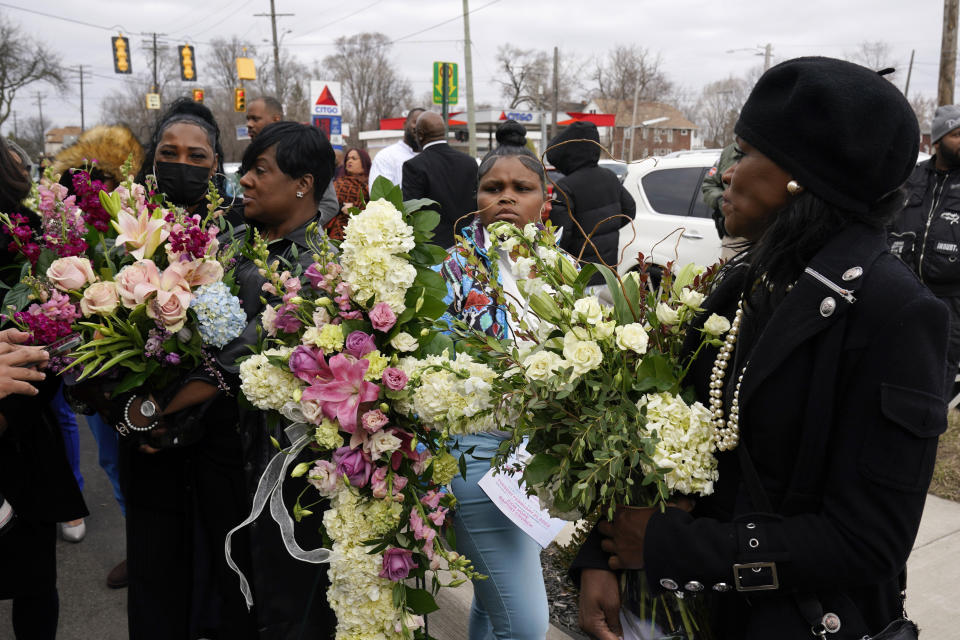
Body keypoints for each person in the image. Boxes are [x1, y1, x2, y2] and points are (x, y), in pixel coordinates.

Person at [575, 57, 948, 640]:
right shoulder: (750, 278)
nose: (725, 173)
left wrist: (666, 546)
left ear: (804, 175)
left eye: (743, 153)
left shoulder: (893, 311)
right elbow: (664, 430)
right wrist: (601, 558)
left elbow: (867, 540)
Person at [119, 119, 338, 639]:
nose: (247, 182)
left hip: (259, 465)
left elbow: (239, 358)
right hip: (208, 453)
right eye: (246, 169)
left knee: (256, 596)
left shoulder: (315, 269)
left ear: (303, 183)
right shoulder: (233, 240)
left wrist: (153, 411)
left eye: (261, 170)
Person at [436, 120, 550, 640]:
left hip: (536, 457)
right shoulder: (452, 271)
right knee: (526, 626)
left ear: (544, 201)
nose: (507, 197)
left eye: (521, 188)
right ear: (476, 198)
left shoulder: (559, 271)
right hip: (478, 452)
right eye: (493, 188)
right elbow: (434, 369)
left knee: (492, 600)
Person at [0, 133, 87, 640]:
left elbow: (53, 344)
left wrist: (8, 415)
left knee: (33, 583)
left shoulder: (30, 242)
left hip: (22, 433)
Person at [53, 123, 145, 585]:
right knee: (111, 459)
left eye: (107, 181)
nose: (98, 192)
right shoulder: (64, 238)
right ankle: (140, 546)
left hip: (141, 362)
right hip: (91, 365)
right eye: (88, 183)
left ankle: (159, 548)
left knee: (148, 459)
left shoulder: (140, 222)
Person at [889, 104, 960, 389]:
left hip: (951, 301)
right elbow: (884, 223)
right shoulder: (909, 178)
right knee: (892, 366)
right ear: (938, 140)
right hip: (901, 292)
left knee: (936, 379)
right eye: (957, 135)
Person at [546, 121, 635, 287]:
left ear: (567, 155)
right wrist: (607, 229)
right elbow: (630, 210)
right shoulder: (609, 177)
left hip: (579, 274)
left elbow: (561, 235)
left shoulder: (566, 186)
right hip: (608, 271)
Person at [244, 95, 340, 230]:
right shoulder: (239, 240)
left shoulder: (301, 150)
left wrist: (297, 229)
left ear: (276, 119)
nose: (249, 124)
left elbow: (329, 204)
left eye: (255, 119)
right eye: (248, 119)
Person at [402, 111, 479, 248]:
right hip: (468, 247)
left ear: (420, 135)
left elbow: (411, 212)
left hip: (433, 252)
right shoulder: (470, 162)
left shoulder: (413, 166)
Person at [702, 141, 749, 260]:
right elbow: (709, 184)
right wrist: (722, 202)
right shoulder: (729, 152)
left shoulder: (774, 148)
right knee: (731, 276)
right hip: (734, 237)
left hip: (769, 236)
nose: (728, 175)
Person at [369, 107, 424, 189]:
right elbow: (380, 197)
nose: (419, 127)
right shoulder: (386, 156)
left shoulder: (433, 158)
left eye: (423, 124)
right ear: (405, 125)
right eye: (415, 122)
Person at [326, 146, 371, 241]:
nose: (349, 161)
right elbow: (327, 206)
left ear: (364, 162)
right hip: (341, 234)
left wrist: (356, 208)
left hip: (367, 232)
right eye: (347, 159)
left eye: (354, 158)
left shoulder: (371, 183)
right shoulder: (340, 183)